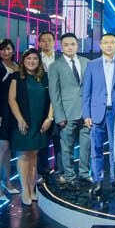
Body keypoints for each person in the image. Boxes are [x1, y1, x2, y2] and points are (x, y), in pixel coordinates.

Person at [82, 33, 115, 197]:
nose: (109, 45)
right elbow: (87, 92)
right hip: (96, 113)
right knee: (96, 149)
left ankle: (114, 180)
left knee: (114, 149)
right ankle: (98, 180)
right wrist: (86, 114)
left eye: (112, 42)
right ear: (101, 45)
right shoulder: (92, 65)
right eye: (106, 42)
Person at [9, 48, 54, 205]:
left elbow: (52, 99)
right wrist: (19, 119)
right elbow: (11, 99)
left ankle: (31, 188)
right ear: (23, 60)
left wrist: (49, 118)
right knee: (23, 155)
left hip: (40, 122)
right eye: (29, 59)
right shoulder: (16, 76)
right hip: (24, 122)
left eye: (35, 59)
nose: (32, 61)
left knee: (34, 155)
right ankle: (24, 190)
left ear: (39, 61)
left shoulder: (44, 77)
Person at [48, 32, 91, 186]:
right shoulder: (55, 66)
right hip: (67, 113)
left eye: (72, 44)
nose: (70, 47)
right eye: (66, 45)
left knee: (86, 146)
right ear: (61, 46)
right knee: (67, 148)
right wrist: (59, 116)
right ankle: (70, 176)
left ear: (77, 45)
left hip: (86, 113)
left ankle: (84, 174)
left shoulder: (87, 62)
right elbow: (54, 93)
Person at [0, 39, 20, 199]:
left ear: (13, 50)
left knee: (8, 150)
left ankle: (7, 182)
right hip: (2, 114)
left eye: (8, 49)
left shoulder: (17, 65)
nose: (6, 52)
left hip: (14, 113)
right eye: (2, 49)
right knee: (1, 149)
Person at [36, 30, 63, 179]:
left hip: (59, 104)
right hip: (40, 104)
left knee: (59, 139)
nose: (46, 43)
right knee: (42, 139)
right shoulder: (33, 58)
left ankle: (60, 170)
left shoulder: (61, 58)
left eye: (49, 40)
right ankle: (43, 171)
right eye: (43, 40)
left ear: (54, 42)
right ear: (39, 43)